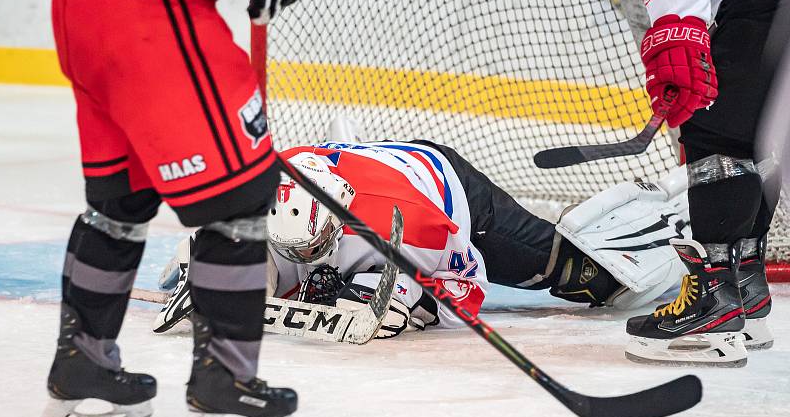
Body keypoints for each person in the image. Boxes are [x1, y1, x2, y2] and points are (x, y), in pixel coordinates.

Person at [30, 0, 302, 417]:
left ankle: (82, 370)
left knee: (119, 203)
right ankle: (227, 390)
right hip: (150, 2)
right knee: (239, 202)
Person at [154, 135, 691, 338]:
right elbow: (210, 245)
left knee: (576, 275)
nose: (308, 258)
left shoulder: (415, 224)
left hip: (448, 189)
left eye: (317, 248)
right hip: (378, 169)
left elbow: (465, 284)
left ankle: (665, 228)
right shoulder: (263, 199)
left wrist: (416, 301)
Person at [620, 0, 789, 366]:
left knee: (716, 132)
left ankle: (714, 305)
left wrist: (678, 28)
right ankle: (744, 288)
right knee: (753, 132)